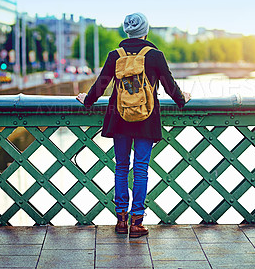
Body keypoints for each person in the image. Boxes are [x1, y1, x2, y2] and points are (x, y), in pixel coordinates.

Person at [77, 12, 190, 237]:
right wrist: (182, 99)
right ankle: (137, 222)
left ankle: (121, 221)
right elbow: (169, 85)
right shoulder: (155, 55)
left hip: (119, 117)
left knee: (121, 167)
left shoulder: (114, 55)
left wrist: (86, 100)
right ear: (146, 31)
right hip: (146, 118)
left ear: (126, 31)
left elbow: (101, 84)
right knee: (140, 168)